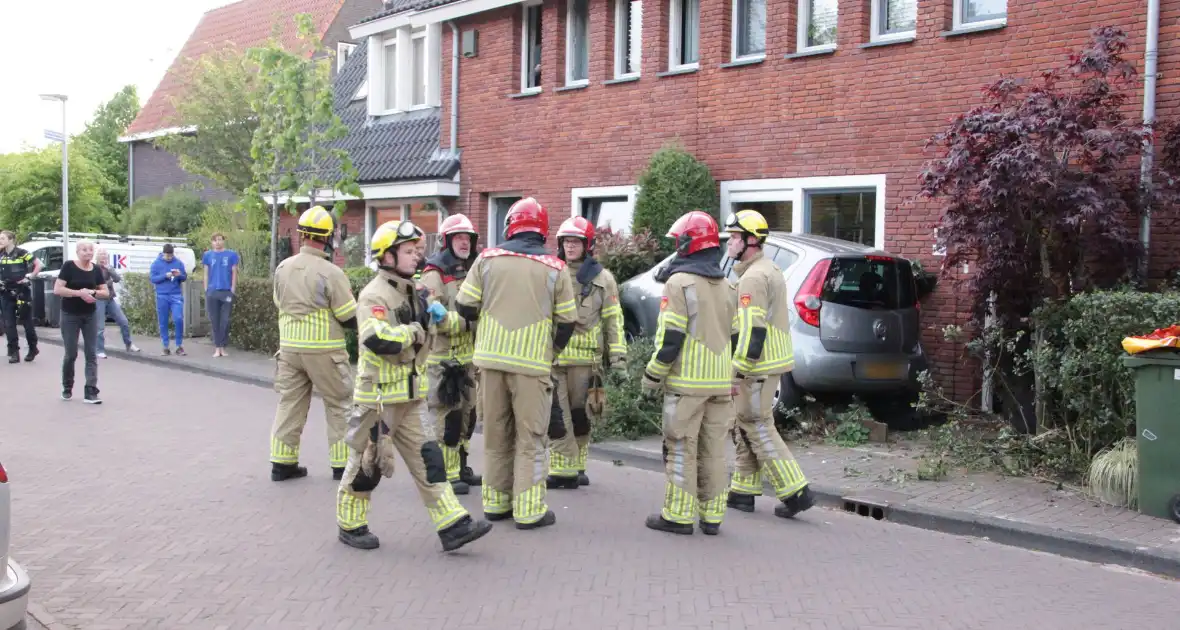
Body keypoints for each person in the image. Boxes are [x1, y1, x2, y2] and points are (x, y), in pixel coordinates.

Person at [336, 220, 493, 552]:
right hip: (378, 399)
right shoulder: (374, 294)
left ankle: (452, 524)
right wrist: (412, 332)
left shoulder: (416, 291)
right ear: (387, 257)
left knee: (430, 460)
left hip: (410, 396)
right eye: (408, 251)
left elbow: (439, 324)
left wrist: (446, 318)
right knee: (367, 466)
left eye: (417, 251)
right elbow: (375, 338)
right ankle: (350, 524)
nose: (416, 257)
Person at [455, 197, 577, 530]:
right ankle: (529, 510)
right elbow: (567, 322)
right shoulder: (556, 268)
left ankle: (495, 504)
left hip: (490, 362)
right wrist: (551, 350)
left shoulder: (486, 259)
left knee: (496, 434)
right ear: (543, 231)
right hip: (532, 366)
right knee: (531, 438)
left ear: (510, 225)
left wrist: (488, 324)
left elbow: (464, 305)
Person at [641, 210, 736, 536]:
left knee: (681, 447)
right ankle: (712, 517)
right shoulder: (728, 286)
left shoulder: (678, 282)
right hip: (721, 384)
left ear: (687, 244)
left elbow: (671, 337)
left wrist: (653, 375)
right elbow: (733, 334)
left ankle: (678, 516)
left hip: (686, 384)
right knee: (713, 451)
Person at [723, 210, 815, 519]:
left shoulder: (752, 278)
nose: (729, 242)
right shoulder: (768, 268)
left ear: (751, 240)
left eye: (735, 237)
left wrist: (739, 370)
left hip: (757, 366)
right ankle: (742, 491)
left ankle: (795, 490)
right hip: (769, 363)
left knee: (757, 425)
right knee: (746, 424)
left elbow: (752, 329)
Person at [270, 206, 357, 482]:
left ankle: (282, 464)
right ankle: (342, 467)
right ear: (328, 237)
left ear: (302, 235)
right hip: (324, 352)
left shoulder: (283, 268)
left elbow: (278, 303)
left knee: (290, 404)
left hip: (289, 350)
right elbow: (348, 316)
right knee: (339, 404)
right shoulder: (331, 273)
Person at [547, 216, 627, 489]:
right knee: (557, 415)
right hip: (555, 358)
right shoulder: (552, 271)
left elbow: (613, 320)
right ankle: (561, 470)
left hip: (587, 362)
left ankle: (577, 465)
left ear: (587, 245)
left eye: (575, 242)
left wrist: (618, 359)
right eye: (566, 241)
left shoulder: (603, 279)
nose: (569, 246)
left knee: (581, 416)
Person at [418, 214, 483, 495]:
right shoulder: (433, 274)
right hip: (443, 362)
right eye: (458, 237)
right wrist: (470, 322)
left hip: (470, 360)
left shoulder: (474, 271)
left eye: (467, 238)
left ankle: (462, 467)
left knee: (469, 416)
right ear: (446, 241)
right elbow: (436, 320)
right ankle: (446, 473)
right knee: (447, 418)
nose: (464, 242)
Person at [53, 240, 108, 404]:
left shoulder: (96, 269)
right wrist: (79, 293)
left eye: (91, 250)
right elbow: (58, 289)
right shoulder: (69, 267)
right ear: (77, 252)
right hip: (70, 315)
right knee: (71, 353)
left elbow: (105, 292)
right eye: (84, 250)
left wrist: (92, 291)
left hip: (89, 315)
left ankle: (91, 391)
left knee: (91, 353)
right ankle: (67, 387)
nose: (88, 252)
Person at [0, 230, 40, 363]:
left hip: (22, 291)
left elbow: (38, 264)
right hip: (5, 292)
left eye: (3, 238)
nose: (1, 241)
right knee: (9, 323)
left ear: (11, 240)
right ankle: (14, 352)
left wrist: (30, 276)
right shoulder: (1, 254)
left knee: (27, 322)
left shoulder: (22, 253)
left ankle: (33, 348)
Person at [93, 247, 140, 358]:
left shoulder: (109, 267)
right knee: (100, 326)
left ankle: (129, 344)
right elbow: (94, 283)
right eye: (101, 254)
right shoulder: (94, 268)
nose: (103, 256)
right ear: (97, 256)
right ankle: (99, 349)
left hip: (110, 299)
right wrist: (108, 282)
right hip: (99, 299)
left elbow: (117, 279)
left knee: (123, 321)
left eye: (105, 254)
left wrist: (110, 269)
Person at [202, 233, 240, 358]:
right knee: (214, 320)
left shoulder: (231, 255)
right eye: (215, 240)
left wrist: (233, 288)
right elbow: (206, 273)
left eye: (219, 240)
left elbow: (234, 272)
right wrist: (206, 288)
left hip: (226, 291)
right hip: (212, 291)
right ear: (212, 242)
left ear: (223, 241)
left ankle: (223, 347)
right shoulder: (208, 255)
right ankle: (217, 348)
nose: (217, 242)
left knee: (225, 320)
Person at [149, 244, 188, 356]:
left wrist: (179, 275)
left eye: (171, 255)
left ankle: (179, 345)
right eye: (167, 256)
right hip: (162, 295)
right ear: (163, 253)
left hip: (176, 295)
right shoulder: (156, 264)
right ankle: (165, 346)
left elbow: (184, 277)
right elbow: (152, 278)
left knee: (178, 318)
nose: (169, 257)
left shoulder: (178, 263)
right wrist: (164, 276)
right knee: (163, 321)